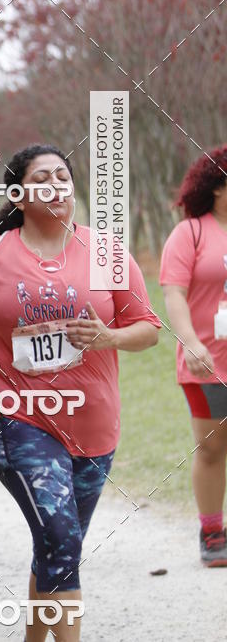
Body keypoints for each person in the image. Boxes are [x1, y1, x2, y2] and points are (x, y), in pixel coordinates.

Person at [0, 144, 160, 642]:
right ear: (19, 195)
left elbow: (147, 327)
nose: (56, 184)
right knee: (61, 538)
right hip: (14, 414)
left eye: (63, 175)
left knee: (56, 545)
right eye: (42, 177)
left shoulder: (106, 253)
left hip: (94, 423)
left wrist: (110, 337)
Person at [160, 144, 227, 567]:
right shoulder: (191, 233)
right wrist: (191, 341)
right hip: (208, 363)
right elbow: (173, 292)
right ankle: (212, 530)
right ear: (219, 187)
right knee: (212, 448)